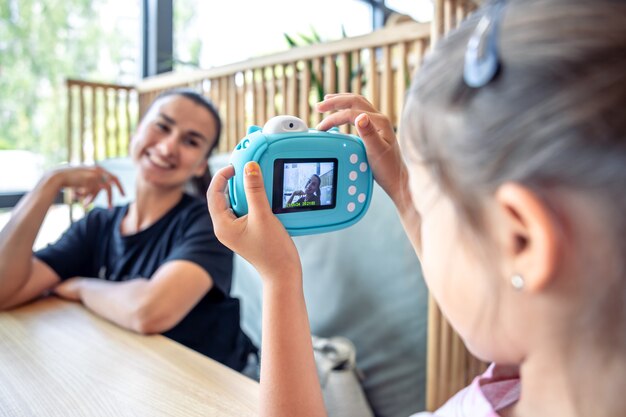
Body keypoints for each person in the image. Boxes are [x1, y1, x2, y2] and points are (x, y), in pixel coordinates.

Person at [207, 0, 626, 415]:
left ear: (520, 239)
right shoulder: (547, 358)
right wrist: (406, 193)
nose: (421, 224)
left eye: (430, 207)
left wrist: (279, 278)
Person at [0, 89, 257, 374]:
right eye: (162, 126)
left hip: (217, 382)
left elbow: (149, 311)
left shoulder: (209, 221)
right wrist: (50, 182)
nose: (168, 147)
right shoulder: (98, 224)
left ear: (200, 165)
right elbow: (5, 290)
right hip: (132, 374)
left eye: (191, 141)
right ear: (137, 132)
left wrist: (80, 287)